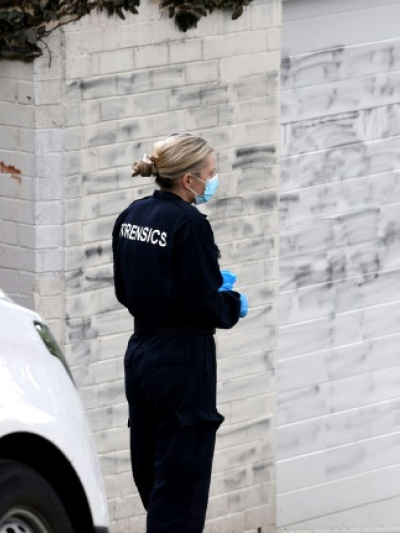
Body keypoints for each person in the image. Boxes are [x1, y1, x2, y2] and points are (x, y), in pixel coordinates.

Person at [112, 132, 248, 532]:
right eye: (211, 173)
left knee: (154, 477)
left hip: (141, 356)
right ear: (189, 180)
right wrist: (230, 301)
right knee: (182, 489)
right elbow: (205, 303)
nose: (214, 178)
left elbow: (125, 288)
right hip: (183, 362)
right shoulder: (190, 224)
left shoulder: (132, 215)